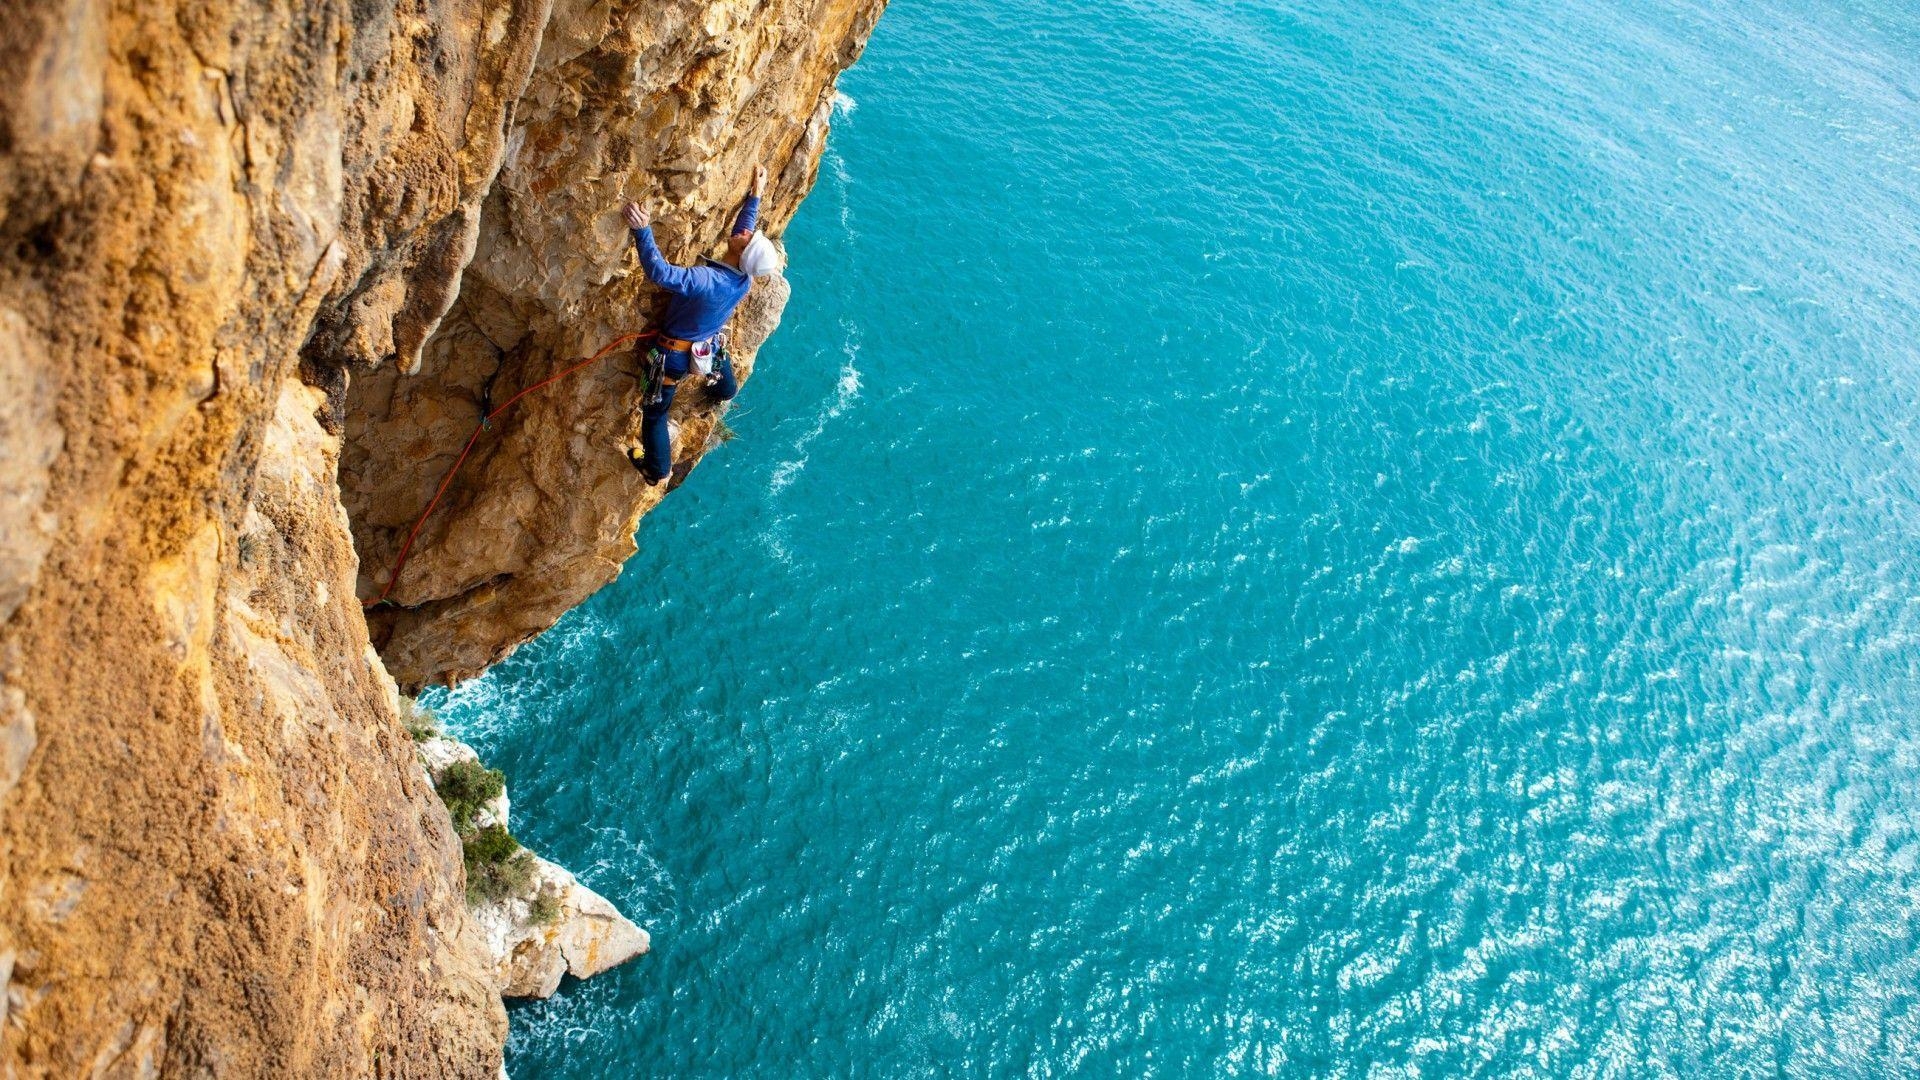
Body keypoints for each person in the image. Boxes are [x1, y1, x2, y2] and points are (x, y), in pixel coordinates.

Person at [620, 165, 784, 483]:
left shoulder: (705, 279)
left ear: (743, 253)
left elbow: (662, 273)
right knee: (719, 369)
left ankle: (657, 470)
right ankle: (724, 390)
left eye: (747, 240)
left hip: (670, 358)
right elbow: (743, 234)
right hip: (705, 346)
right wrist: (755, 196)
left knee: (654, 411)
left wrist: (643, 232)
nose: (745, 233)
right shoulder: (743, 279)